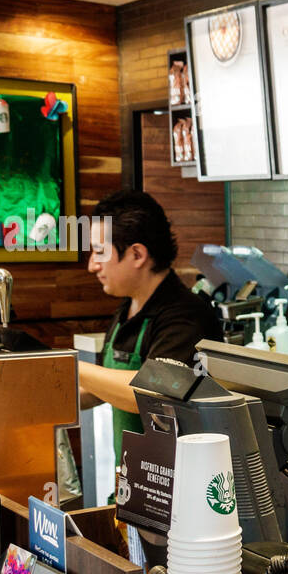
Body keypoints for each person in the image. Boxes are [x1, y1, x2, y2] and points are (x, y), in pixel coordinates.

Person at [77, 190, 222, 463]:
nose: (92, 265)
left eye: (99, 252)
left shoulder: (187, 316)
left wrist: (72, 366)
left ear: (137, 254)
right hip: (134, 481)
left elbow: (150, 395)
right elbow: (100, 389)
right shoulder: (128, 308)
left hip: (181, 486)